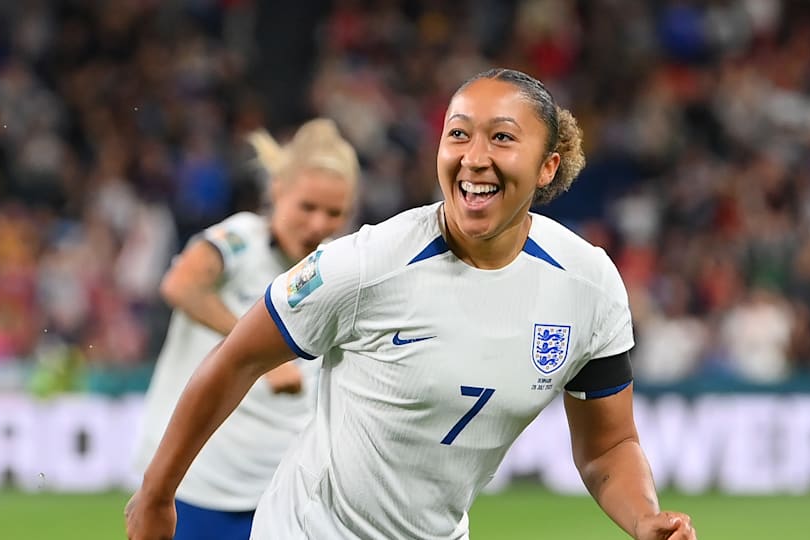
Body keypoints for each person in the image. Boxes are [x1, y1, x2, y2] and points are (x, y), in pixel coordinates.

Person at [126, 68, 697, 540]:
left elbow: (608, 446)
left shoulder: (588, 285)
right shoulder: (366, 264)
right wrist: (156, 497)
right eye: (458, 134)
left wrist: (643, 516)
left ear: (548, 166)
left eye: (501, 137)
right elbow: (236, 359)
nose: (474, 157)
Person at [131, 118, 359, 540]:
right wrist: (259, 356)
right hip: (199, 484)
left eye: (335, 213)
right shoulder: (241, 239)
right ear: (277, 192)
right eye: (307, 207)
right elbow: (181, 284)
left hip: (284, 490)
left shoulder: (337, 270)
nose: (318, 225)